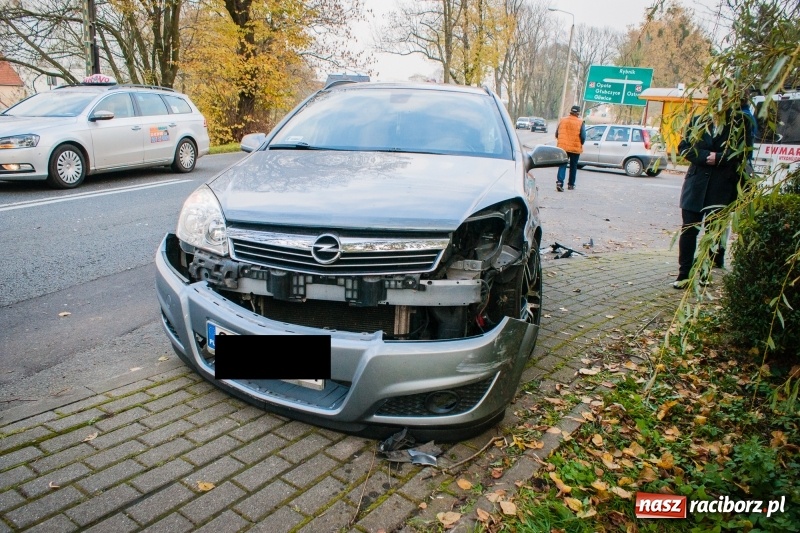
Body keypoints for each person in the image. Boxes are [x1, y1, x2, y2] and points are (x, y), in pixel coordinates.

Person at [674, 104, 754, 289]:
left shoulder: (739, 124)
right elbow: (684, 147)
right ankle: (683, 274)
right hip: (695, 185)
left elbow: (745, 152)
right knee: (689, 230)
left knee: (713, 232)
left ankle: (704, 272)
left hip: (722, 186)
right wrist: (703, 156)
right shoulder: (698, 121)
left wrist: (719, 158)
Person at [554, 105, 586, 192]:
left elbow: (557, 133)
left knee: (562, 164)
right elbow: (583, 136)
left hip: (563, 147)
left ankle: (559, 183)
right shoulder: (580, 122)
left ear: (570, 111)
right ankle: (571, 185)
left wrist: (561, 141)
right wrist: (580, 143)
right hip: (575, 148)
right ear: (578, 113)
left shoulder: (563, 120)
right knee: (573, 166)